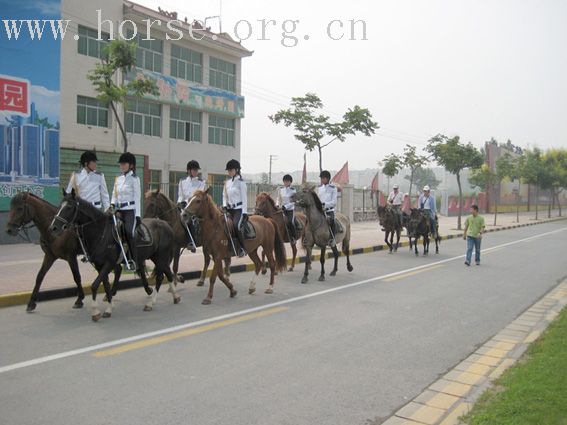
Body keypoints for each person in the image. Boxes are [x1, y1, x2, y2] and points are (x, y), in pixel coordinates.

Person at [110, 152, 141, 271]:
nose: (122, 166)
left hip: (130, 211)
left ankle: (134, 260)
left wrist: (137, 215)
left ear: (131, 165)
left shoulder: (134, 179)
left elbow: (137, 198)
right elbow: (114, 194)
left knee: (129, 232)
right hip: (119, 210)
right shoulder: (118, 178)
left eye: (124, 164)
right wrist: (112, 204)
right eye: (121, 164)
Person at [177, 160, 206, 252]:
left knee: (190, 220)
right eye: (194, 170)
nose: (196, 172)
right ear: (189, 171)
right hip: (184, 207)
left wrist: (188, 202)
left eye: (197, 170)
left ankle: (191, 242)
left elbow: (198, 196)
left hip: (194, 208)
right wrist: (180, 202)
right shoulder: (182, 182)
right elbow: (180, 195)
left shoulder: (201, 182)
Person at [223, 159, 248, 257]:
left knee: (236, 225)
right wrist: (225, 205)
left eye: (231, 170)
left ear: (236, 170)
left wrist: (245, 212)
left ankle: (242, 248)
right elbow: (224, 195)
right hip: (229, 209)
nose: (229, 171)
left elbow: (245, 198)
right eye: (228, 170)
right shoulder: (227, 183)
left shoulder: (241, 182)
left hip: (239, 209)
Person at [317, 170, 338, 247]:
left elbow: (334, 202)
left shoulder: (333, 188)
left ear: (327, 178)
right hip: (320, 211)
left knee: (331, 221)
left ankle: (332, 239)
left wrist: (325, 205)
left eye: (323, 178)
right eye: (321, 178)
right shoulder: (319, 188)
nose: (322, 180)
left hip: (329, 211)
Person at [276, 174, 297, 243]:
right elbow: (278, 199)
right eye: (284, 181)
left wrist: (286, 206)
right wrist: (277, 205)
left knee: (291, 222)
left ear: (290, 182)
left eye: (287, 181)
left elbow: (293, 202)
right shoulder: (281, 189)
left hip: (290, 210)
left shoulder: (293, 191)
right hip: (282, 209)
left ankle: (294, 238)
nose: (285, 183)